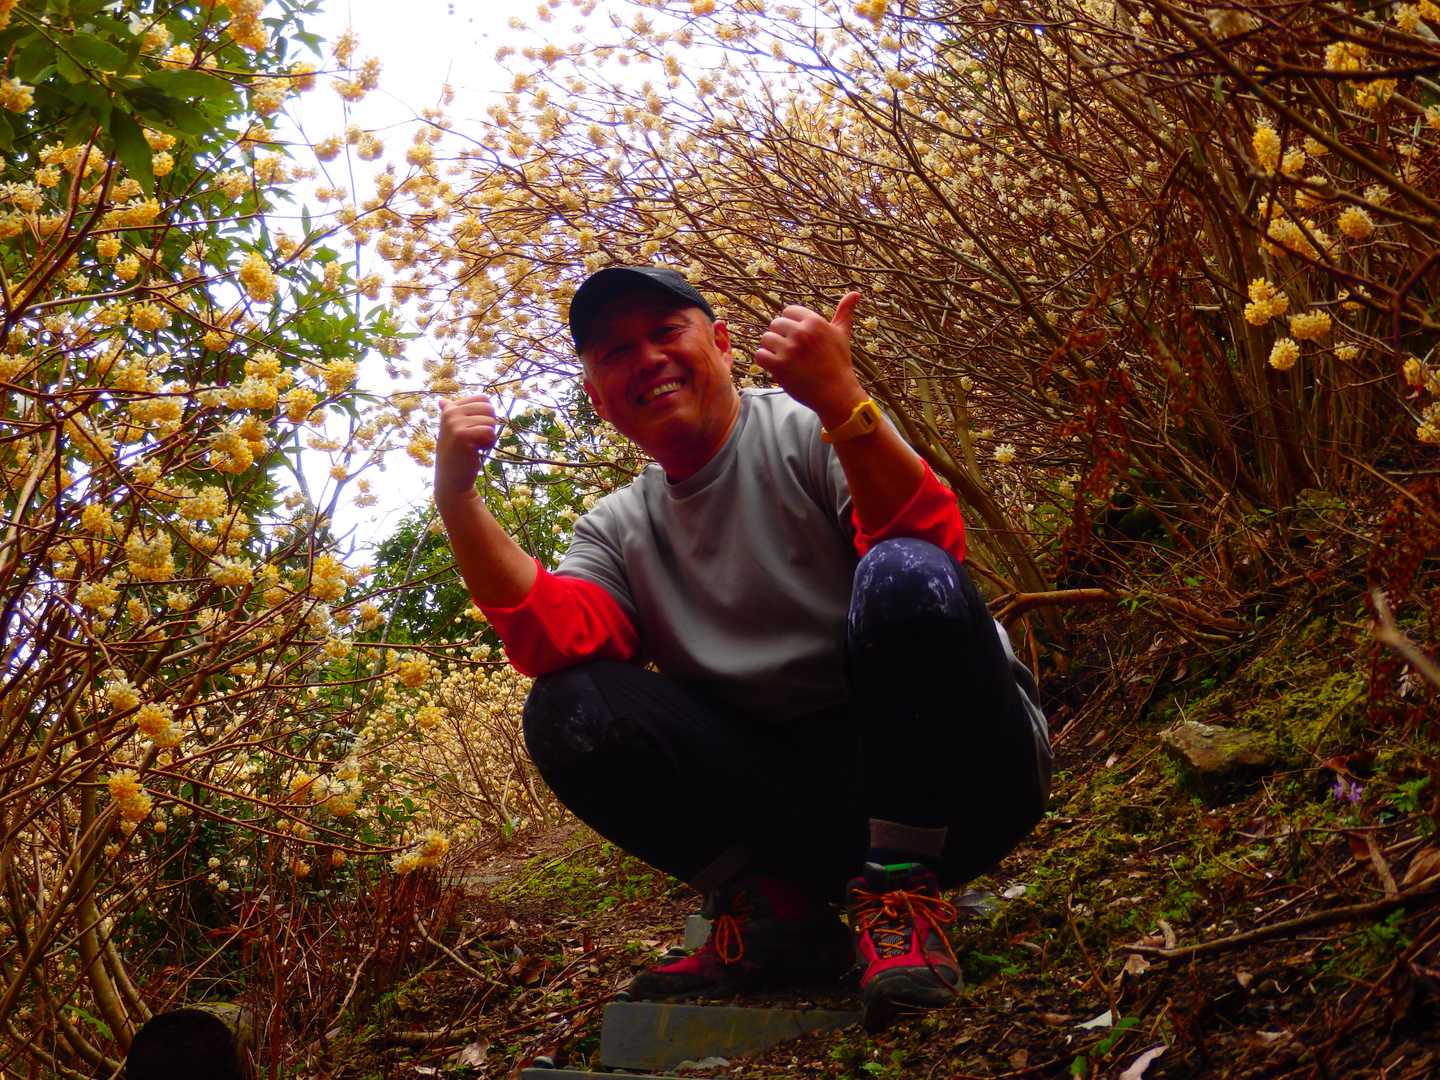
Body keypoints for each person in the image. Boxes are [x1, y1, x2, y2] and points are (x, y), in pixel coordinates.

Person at [434, 266, 1051, 1030]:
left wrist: (839, 396)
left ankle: (901, 888)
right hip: (802, 812)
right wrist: (457, 499)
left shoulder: (813, 427)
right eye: (617, 351)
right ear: (597, 397)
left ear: (723, 345)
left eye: (666, 332)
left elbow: (929, 548)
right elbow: (557, 637)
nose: (648, 359)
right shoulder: (617, 528)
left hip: (965, 785)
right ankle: (773, 917)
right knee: (568, 706)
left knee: (903, 571)